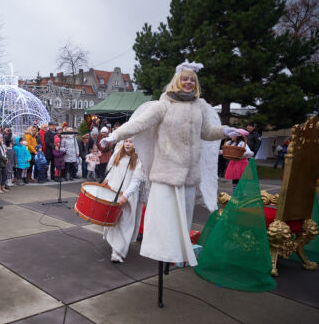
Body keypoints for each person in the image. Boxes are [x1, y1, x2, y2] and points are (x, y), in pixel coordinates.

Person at [101, 60, 238, 304]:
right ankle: (159, 256)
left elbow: (206, 132)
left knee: (181, 224)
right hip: (166, 174)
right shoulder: (164, 105)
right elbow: (139, 123)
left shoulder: (199, 106)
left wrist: (225, 131)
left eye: (192, 79)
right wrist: (115, 136)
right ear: (177, 80)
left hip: (188, 177)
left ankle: (175, 256)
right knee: (163, 223)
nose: (189, 82)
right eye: (185, 78)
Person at [101, 139, 145, 263]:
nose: (128, 144)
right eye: (126, 141)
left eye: (131, 142)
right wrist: (107, 179)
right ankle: (113, 245)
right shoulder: (118, 155)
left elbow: (136, 181)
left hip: (128, 196)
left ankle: (117, 251)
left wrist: (125, 196)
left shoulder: (139, 160)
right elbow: (113, 170)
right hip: (113, 193)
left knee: (124, 223)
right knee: (112, 220)